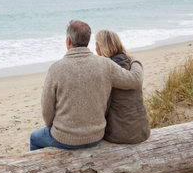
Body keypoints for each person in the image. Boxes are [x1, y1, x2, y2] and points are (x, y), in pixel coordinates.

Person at [30, 20, 144, 151]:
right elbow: (135, 80)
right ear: (88, 41)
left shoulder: (55, 69)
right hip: (96, 136)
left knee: (34, 138)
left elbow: (47, 108)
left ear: (68, 41)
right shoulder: (105, 64)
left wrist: (51, 126)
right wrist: (134, 59)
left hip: (64, 138)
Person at [95, 29, 150, 144]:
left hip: (120, 135)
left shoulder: (107, 71)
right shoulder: (133, 64)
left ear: (100, 48)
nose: (95, 49)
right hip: (142, 131)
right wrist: (133, 58)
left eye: (96, 45)